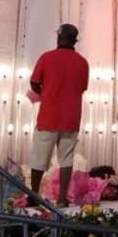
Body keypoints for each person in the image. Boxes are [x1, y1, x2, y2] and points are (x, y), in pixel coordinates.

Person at [29, 24, 89, 206]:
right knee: (67, 159)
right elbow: (82, 88)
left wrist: (45, 91)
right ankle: (62, 199)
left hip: (48, 116)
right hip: (71, 118)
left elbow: (34, 82)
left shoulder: (47, 58)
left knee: (39, 158)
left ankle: (33, 197)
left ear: (59, 38)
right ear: (75, 41)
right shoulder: (82, 62)